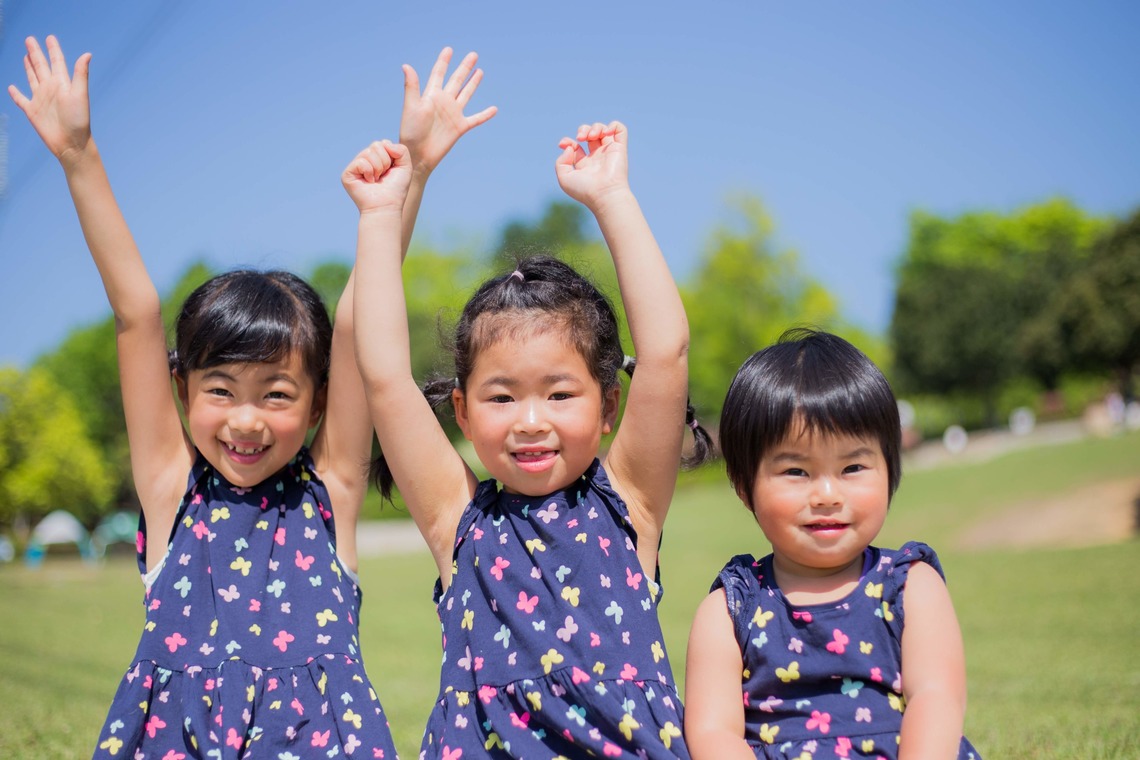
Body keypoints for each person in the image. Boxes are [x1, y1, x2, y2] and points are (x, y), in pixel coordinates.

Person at [9, 36, 494, 758]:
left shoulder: (332, 491)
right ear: (182, 389)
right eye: (219, 390)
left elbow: (362, 328)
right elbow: (138, 314)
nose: (244, 419)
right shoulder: (170, 491)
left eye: (275, 394)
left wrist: (406, 180)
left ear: (318, 402)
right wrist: (79, 155)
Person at [343, 120, 712, 758]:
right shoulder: (455, 520)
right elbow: (383, 378)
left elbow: (666, 352)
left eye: (560, 393)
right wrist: (380, 214)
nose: (530, 421)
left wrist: (612, 197)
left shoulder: (629, 505)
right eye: (502, 396)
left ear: (609, 405)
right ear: (461, 411)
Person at [684, 328, 981, 759]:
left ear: (889, 469)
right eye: (796, 472)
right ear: (744, 486)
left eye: (853, 466)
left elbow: (936, 698)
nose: (826, 494)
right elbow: (714, 732)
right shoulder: (732, 608)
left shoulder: (910, 587)